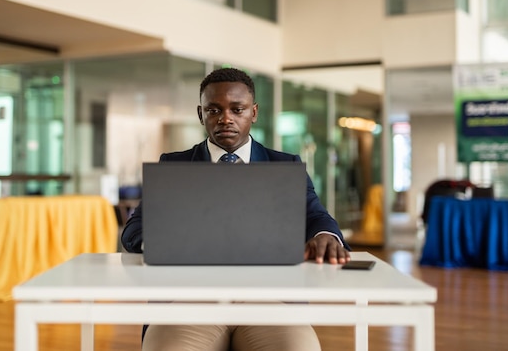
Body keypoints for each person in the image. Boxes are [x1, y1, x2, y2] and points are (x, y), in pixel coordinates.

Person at [121, 67, 351, 351]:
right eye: (214, 110)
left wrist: (325, 234)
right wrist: (155, 242)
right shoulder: (174, 165)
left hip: (269, 301)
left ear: (253, 112)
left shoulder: (285, 165)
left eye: (237, 109)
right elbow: (135, 227)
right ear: (200, 113)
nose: (225, 118)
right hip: (190, 301)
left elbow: (316, 215)